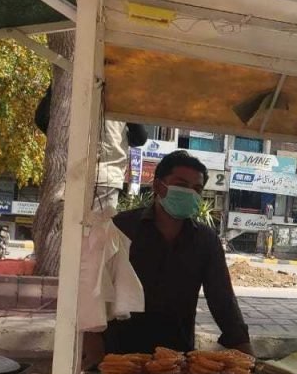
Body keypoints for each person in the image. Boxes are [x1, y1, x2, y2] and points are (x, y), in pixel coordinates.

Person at [102, 151, 251, 355]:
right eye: (181, 185)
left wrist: (244, 348)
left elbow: (222, 299)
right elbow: (98, 286)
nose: (189, 192)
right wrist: (91, 339)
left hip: (177, 357)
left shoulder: (206, 240)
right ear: (157, 186)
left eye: (197, 189)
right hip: (118, 353)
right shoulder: (121, 227)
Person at [35, 86, 148, 211]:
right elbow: (140, 137)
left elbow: (41, 119)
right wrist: (121, 138)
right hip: (107, 176)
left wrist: (66, 140)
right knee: (98, 228)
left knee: (72, 227)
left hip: (73, 174)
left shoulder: (69, 82)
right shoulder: (121, 92)